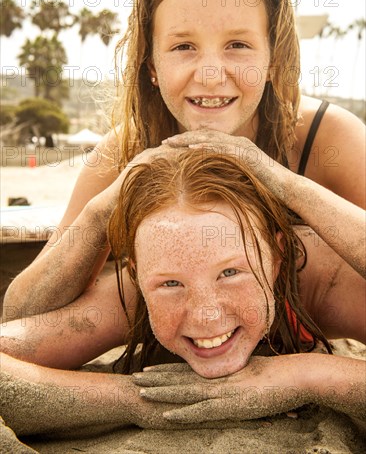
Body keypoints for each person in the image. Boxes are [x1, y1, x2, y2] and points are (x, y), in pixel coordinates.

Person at [2, 0, 365, 359]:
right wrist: (109, 204)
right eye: (183, 47)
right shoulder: (127, 150)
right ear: (152, 66)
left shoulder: (326, 136)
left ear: (272, 60)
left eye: (238, 45)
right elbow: (21, 313)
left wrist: (280, 181)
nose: (211, 74)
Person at [1, 149, 365, 440]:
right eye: (171, 284)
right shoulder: (135, 292)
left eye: (230, 273)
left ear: (277, 258)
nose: (206, 315)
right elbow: (11, 338)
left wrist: (310, 376)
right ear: (136, 275)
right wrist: (139, 401)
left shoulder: (329, 280)